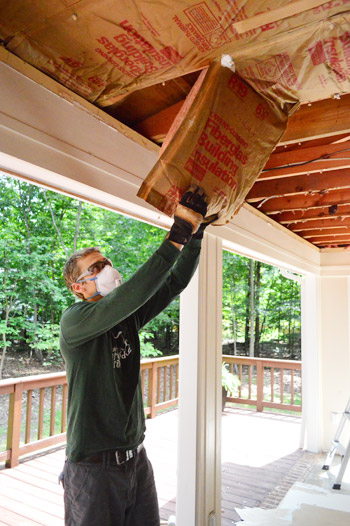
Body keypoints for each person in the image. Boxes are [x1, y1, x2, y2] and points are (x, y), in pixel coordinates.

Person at [59, 187, 212, 526]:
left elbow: (172, 284)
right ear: (79, 287)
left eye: (107, 262)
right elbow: (132, 294)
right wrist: (177, 235)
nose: (107, 268)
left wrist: (196, 236)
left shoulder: (127, 318)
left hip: (136, 460)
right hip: (93, 468)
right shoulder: (75, 321)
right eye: (96, 267)